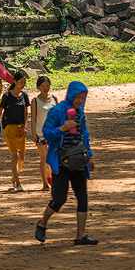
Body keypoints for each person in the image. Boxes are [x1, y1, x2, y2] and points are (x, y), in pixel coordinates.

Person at [34, 81, 98, 245]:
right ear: (71, 95)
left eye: (83, 98)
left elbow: (84, 135)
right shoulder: (57, 111)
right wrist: (61, 129)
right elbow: (47, 133)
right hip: (61, 162)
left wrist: (89, 155)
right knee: (59, 199)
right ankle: (42, 223)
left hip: (79, 161)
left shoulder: (80, 113)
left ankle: (80, 235)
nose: (80, 101)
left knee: (82, 198)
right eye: (78, 97)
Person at [0, 72, 30, 191]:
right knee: (14, 156)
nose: (23, 84)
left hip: (21, 128)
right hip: (10, 128)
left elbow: (26, 112)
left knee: (22, 157)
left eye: (24, 82)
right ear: (15, 81)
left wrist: (26, 127)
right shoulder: (7, 96)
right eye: (21, 82)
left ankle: (14, 176)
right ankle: (17, 183)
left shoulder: (24, 95)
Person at [29, 75, 58, 191]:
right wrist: (33, 134)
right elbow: (34, 118)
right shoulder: (35, 101)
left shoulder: (54, 99)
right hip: (40, 133)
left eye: (47, 85)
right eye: (43, 86)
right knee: (44, 157)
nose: (46, 88)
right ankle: (45, 183)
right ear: (38, 87)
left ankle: (49, 175)